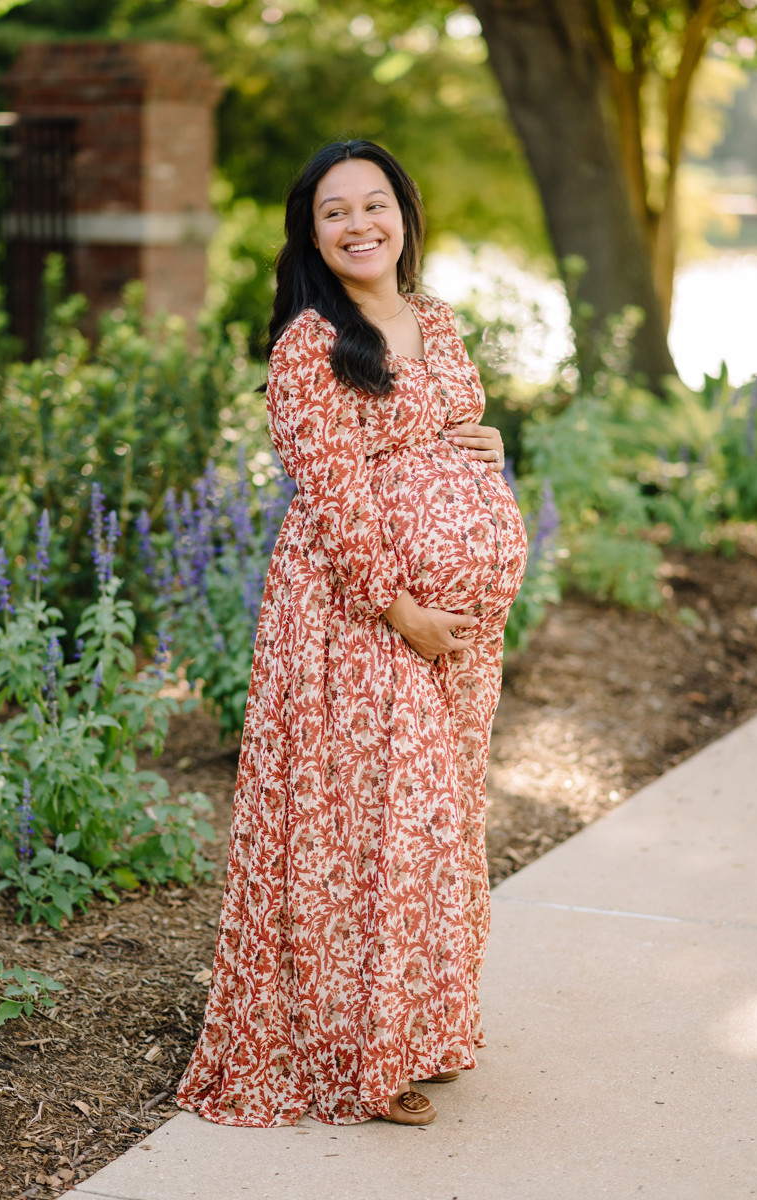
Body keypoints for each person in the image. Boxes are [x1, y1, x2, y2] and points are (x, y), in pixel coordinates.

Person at [176, 140, 527, 1129]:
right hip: (354, 619)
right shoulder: (306, 346)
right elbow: (332, 498)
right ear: (311, 233)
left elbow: (447, 427)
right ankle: (350, 1057)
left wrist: (487, 449)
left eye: (375, 204)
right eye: (335, 211)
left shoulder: (438, 321)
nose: (359, 224)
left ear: (405, 216)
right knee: (371, 831)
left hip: (456, 636)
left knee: (438, 828)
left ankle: (419, 1029)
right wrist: (402, 609)